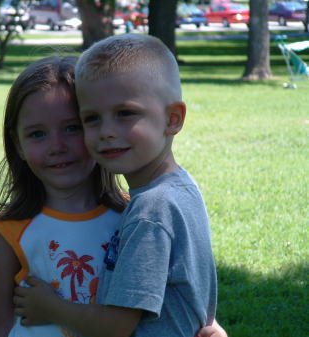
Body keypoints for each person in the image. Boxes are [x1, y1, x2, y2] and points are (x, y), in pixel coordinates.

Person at [13, 33, 222, 337]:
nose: (107, 131)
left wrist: (51, 308)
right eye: (92, 118)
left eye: (125, 113)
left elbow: (117, 326)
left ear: (173, 119)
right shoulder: (182, 187)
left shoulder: (151, 210)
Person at [0, 55, 127, 337]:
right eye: (37, 134)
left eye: (72, 128)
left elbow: (170, 290)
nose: (56, 146)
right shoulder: (10, 231)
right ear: (18, 144)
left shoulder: (134, 216)